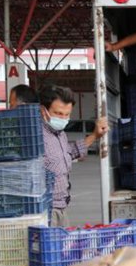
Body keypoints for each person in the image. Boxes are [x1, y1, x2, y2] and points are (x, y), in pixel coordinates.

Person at [40, 85, 109, 227]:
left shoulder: (60, 134)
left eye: (67, 114)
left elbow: (69, 152)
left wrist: (95, 135)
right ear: (43, 110)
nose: (64, 119)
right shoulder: (37, 136)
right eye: (59, 113)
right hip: (45, 210)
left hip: (62, 207)